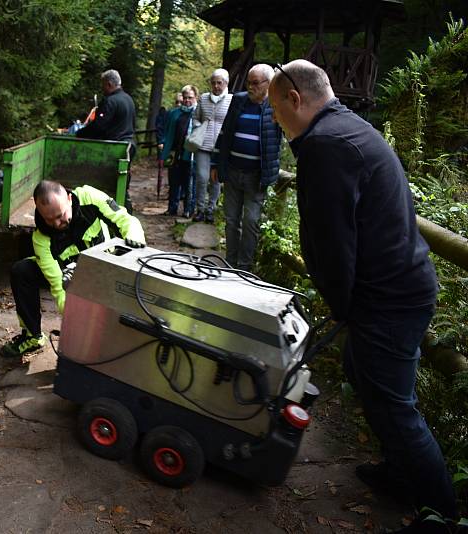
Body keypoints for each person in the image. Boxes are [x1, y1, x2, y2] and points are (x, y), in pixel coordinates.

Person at [269, 59, 457, 531]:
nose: (276, 121)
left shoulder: (326, 147)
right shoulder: (350, 128)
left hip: (388, 296)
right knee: (364, 375)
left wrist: (342, 306)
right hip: (399, 286)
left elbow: (334, 243)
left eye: (276, 110)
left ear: (294, 98)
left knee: (395, 407)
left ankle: (444, 512)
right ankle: (399, 473)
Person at [1, 181, 145, 358]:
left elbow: (124, 219)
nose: (57, 223)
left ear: (69, 199)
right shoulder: (40, 238)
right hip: (70, 278)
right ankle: (32, 336)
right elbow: (58, 287)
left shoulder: (90, 197)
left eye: (61, 215)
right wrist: (75, 319)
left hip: (104, 270)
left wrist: (134, 238)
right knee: (21, 271)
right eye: (49, 219)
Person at [211, 63, 282, 271]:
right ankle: (230, 263)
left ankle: (245, 268)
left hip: (256, 176)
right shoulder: (239, 101)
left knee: (250, 221)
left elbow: (290, 133)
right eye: (248, 82)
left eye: (255, 83)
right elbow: (224, 133)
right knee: (232, 220)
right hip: (233, 171)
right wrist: (216, 163)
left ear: (268, 84)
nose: (250, 87)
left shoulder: (276, 106)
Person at [77, 69, 137, 211]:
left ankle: (111, 210)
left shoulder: (110, 101)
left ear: (109, 84)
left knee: (107, 184)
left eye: (103, 84)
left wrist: (80, 133)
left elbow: (99, 126)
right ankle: (125, 209)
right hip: (128, 145)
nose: (102, 88)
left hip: (114, 148)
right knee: (122, 182)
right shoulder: (128, 99)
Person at [192, 68, 232, 223]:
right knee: (202, 178)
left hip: (220, 147)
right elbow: (195, 118)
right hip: (203, 145)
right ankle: (200, 210)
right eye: (213, 83)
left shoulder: (231, 100)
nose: (216, 86)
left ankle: (211, 210)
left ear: (226, 83)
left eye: (219, 83)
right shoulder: (203, 98)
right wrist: (199, 127)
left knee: (215, 179)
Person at [158, 85, 198, 217]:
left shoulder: (198, 113)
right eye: (185, 98)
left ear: (195, 98)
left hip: (190, 153)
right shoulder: (174, 113)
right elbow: (168, 134)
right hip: (175, 152)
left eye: (190, 98)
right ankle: (172, 208)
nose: (187, 101)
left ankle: (188, 209)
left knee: (189, 182)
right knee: (174, 181)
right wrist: (164, 154)